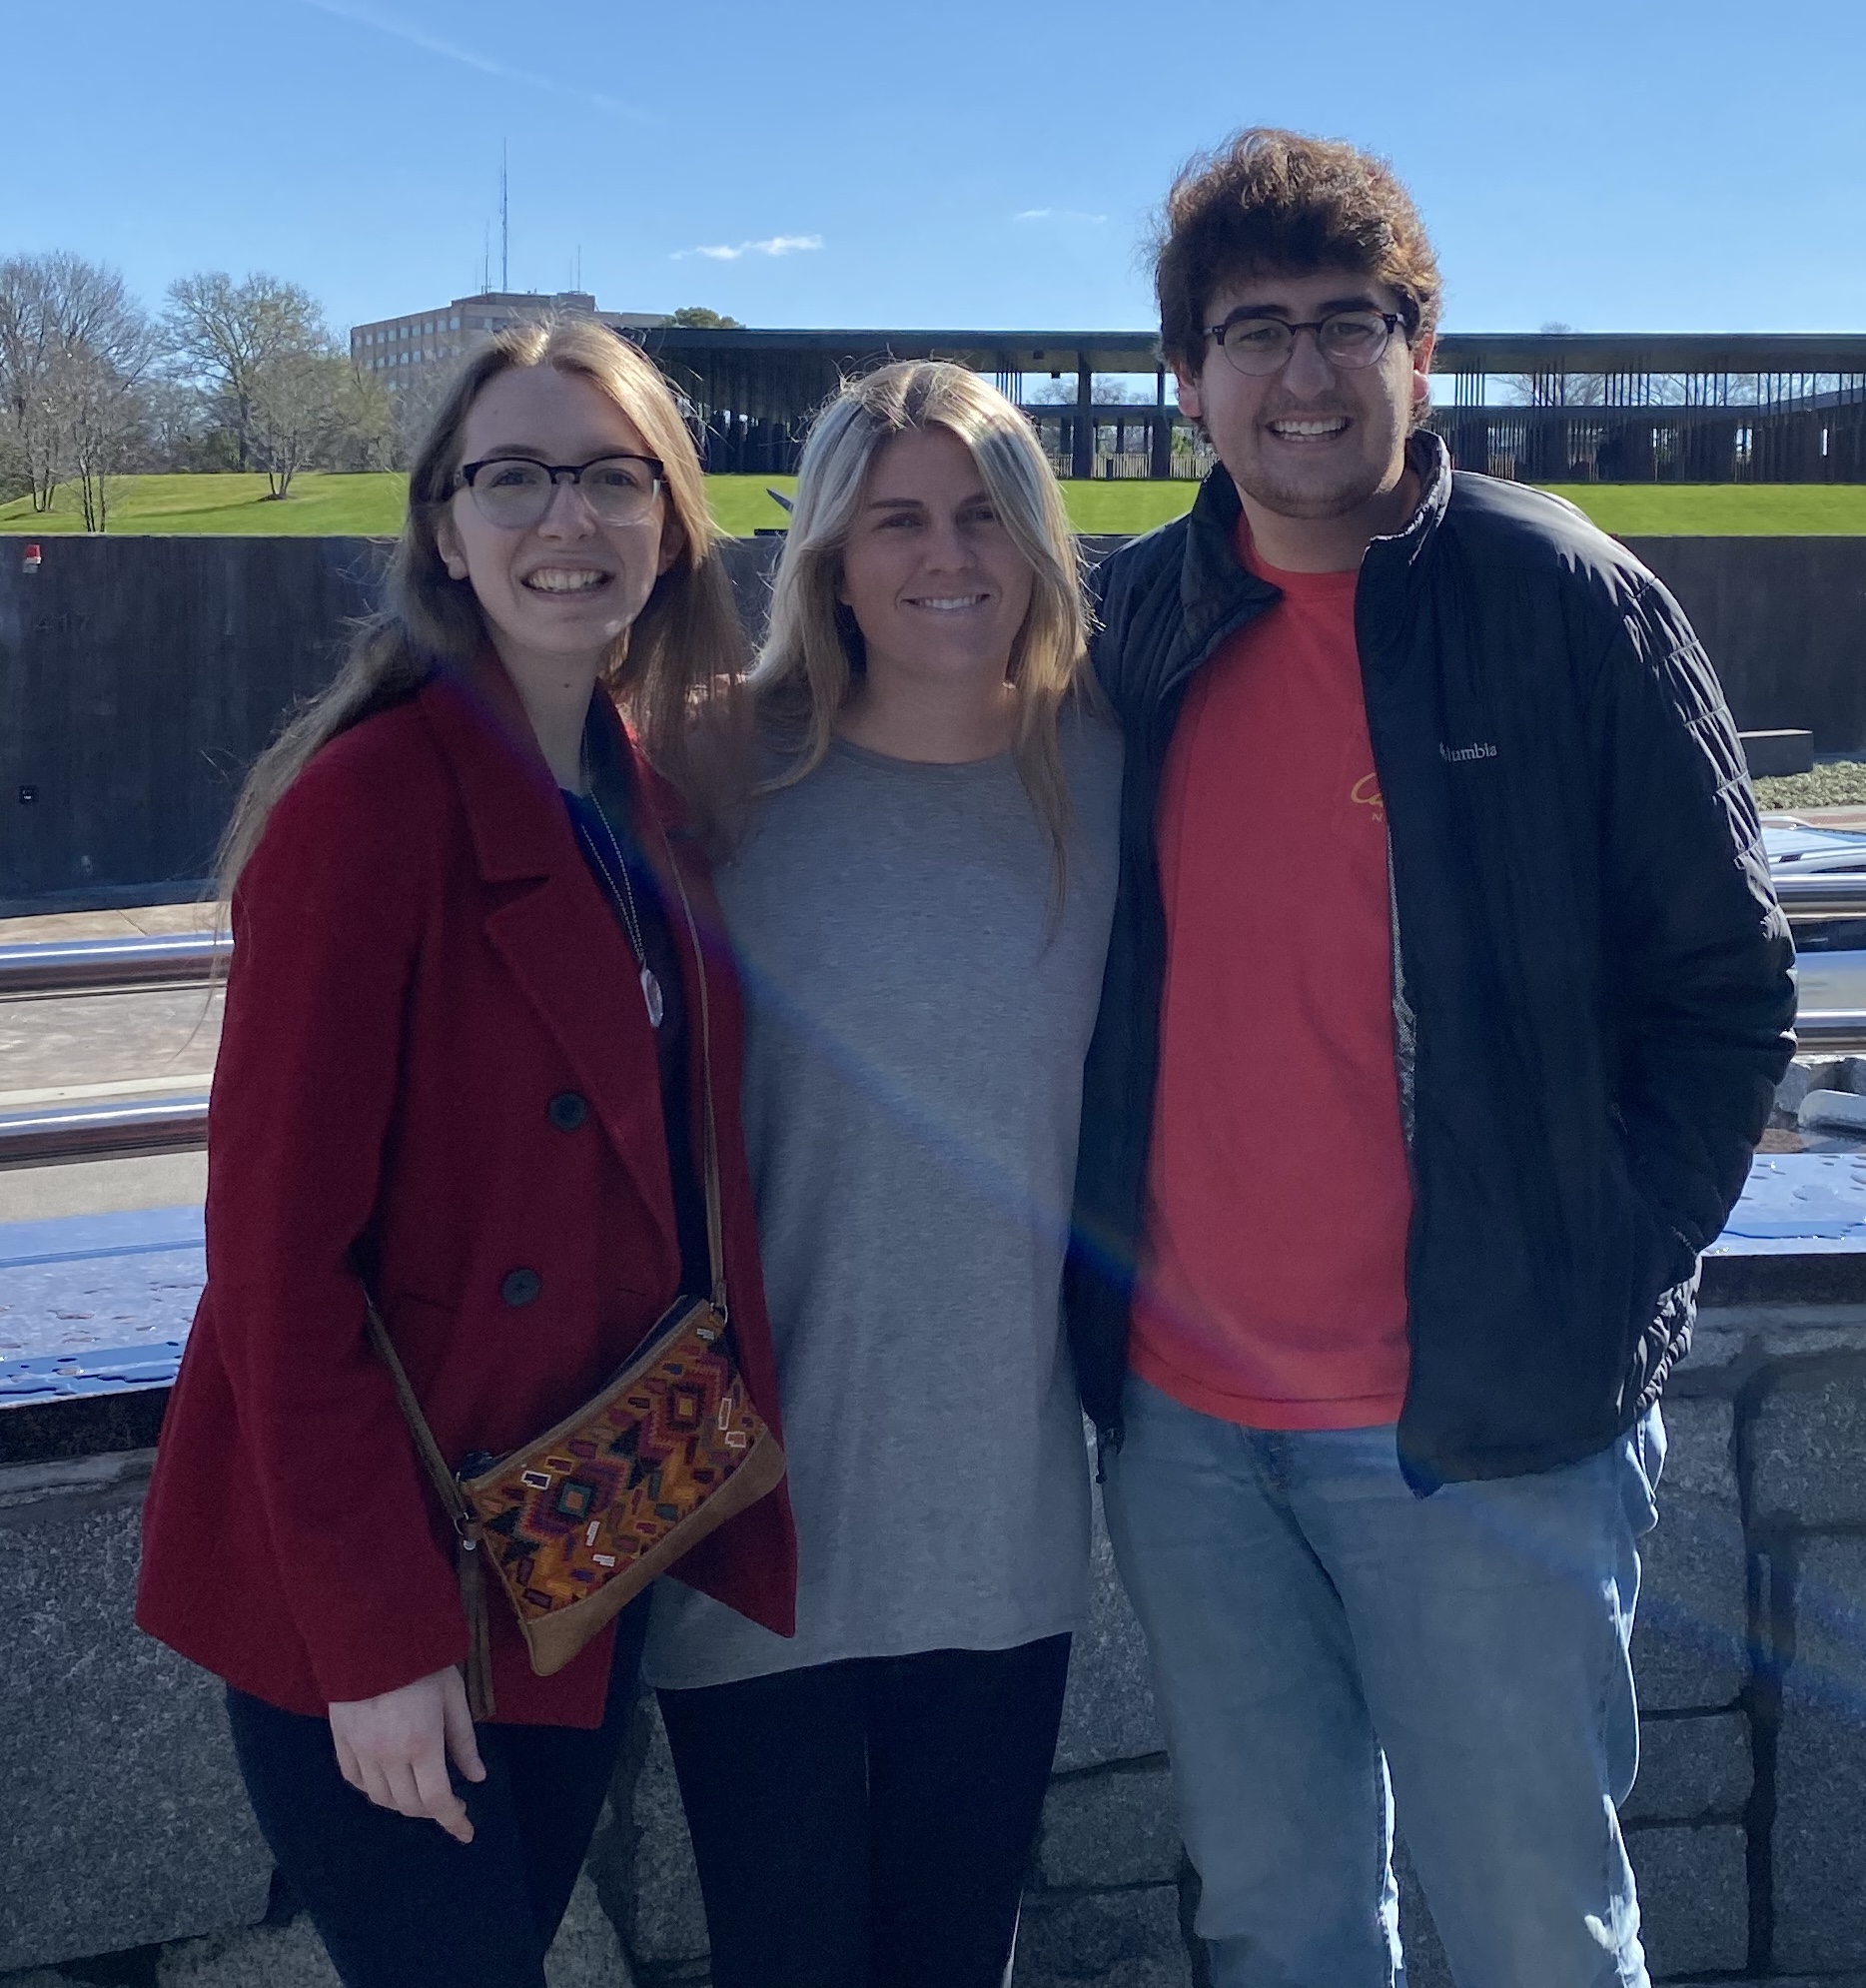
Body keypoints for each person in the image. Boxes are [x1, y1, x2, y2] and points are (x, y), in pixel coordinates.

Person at [1066, 129, 1795, 1988]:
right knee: (1282, 1923)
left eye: (1347, 323)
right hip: (1191, 1435)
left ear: (1421, 354)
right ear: (1187, 380)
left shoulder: (1568, 601)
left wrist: (1591, 1267)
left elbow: (1728, 990)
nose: (1303, 373)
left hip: (1487, 1433)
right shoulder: (1137, 623)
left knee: (1539, 1931)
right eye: (1254, 332)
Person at [135, 317, 796, 1988]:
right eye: (514, 477)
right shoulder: (371, 808)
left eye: (608, 479)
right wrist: (373, 1641)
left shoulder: (636, 790)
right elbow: (276, 1271)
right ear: (444, 524)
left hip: (571, 1542)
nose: (563, 521)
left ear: (672, 522)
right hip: (386, 1586)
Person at [644, 361, 1122, 1988]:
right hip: (747, 1521)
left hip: (997, 1526)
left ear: (1040, 540)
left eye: (986, 513)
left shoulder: (1113, 772)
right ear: (832, 555)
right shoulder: (707, 773)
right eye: (898, 516)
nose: (947, 554)